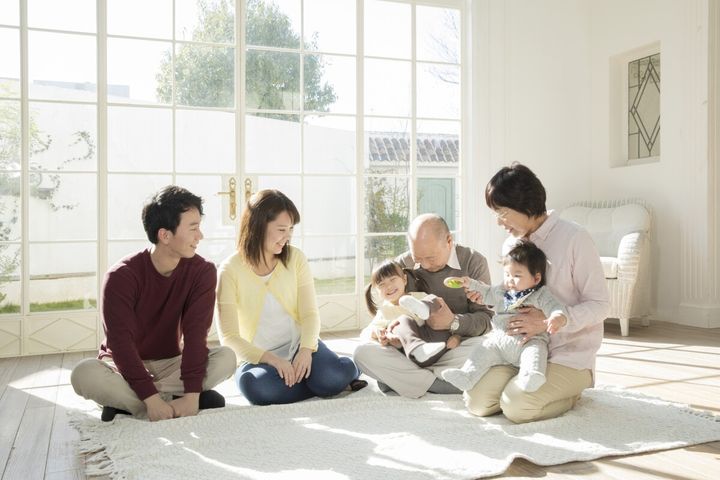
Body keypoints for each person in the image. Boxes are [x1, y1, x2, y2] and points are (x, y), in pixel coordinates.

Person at [71, 186, 236, 422]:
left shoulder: (202, 271)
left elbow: (195, 335)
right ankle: (162, 402)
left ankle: (131, 405)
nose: (200, 236)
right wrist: (152, 398)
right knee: (84, 374)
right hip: (123, 366)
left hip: (172, 363)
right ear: (165, 235)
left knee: (226, 358)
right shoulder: (121, 276)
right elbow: (121, 345)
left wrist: (191, 395)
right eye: (193, 228)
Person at [464, 162, 610, 423]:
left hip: (568, 355)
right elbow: (511, 296)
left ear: (526, 204)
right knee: (476, 401)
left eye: (503, 212)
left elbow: (600, 305)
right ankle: (531, 388)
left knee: (515, 407)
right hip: (519, 351)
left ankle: (574, 391)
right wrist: (487, 298)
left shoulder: (575, 238)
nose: (499, 222)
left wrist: (547, 323)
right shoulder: (511, 245)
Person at [216, 189, 365, 406]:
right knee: (257, 388)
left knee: (330, 377)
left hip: (299, 345)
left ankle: (347, 372)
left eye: (291, 229)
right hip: (258, 359)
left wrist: (305, 350)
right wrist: (273, 360)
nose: (288, 237)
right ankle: (323, 385)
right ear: (258, 226)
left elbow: (310, 314)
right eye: (281, 230)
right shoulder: (230, 269)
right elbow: (229, 337)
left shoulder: (296, 258)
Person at [353, 214, 494, 398]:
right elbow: (387, 313)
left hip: (452, 345)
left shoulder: (473, 261)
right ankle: (437, 384)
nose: (424, 265)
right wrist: (383, 334)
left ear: (449, 241)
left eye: (431, 258)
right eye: (417, 258)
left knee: (487, 348)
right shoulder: (402, 265)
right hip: (411, 347)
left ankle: (403, 378)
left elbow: (485, 320)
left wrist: (453, 322)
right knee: (362, 353)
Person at [441, 241, 567, 392]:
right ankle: (467, 376)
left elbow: (555, 307)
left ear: (536, 278)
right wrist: (469, 283)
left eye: (517, 275)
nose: (510, 280)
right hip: (498, 342)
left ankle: (531, 376)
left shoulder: (540, 295)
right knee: (482, 350)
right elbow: (487, 292)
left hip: (527, 341)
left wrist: (557, 317)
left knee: (536, 352)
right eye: (507, 274)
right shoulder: (502, 291)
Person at [363, 259, 462, 367]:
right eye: (382, 284)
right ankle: (418, 348)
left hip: (440, 342)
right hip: (415, 353)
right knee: (402, 321)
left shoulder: (419, 296)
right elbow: (368, 332)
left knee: (434, 300)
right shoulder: (384, 311)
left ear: (404, 280)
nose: (389, 286)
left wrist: (457, 336)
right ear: (376, 291)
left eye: (392, 279)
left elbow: (449, 318)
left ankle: (424, 308)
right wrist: (379, 333)